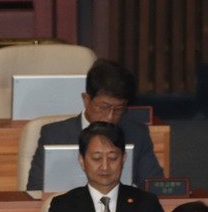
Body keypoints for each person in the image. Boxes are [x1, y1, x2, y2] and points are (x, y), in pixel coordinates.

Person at [22, 121, 167, 212]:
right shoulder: (64, 206)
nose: (105, 166)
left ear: (123, 159)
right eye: (97, 158)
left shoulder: (147, 203)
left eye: (113, 158)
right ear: (82, 160)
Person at [26, 59, 164, 192]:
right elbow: (36, 189)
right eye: (104, 107)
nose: (110, 117)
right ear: (86, 99)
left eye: (118, 109)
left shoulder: (137, 133)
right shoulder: (54, 135)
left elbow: (153, 186)